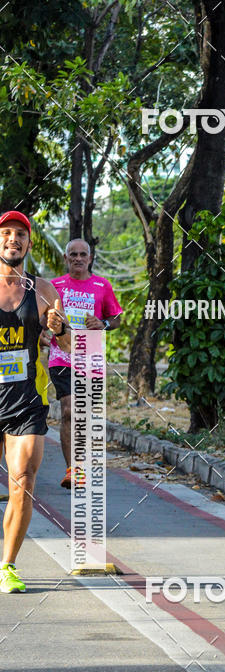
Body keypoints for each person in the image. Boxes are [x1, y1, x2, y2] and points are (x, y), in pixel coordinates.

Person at [0, 210, 71, 592]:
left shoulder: (43, 291)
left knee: (23, 480)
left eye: (20, 234)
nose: (13, 239)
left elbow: (68, 345)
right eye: (6, 232)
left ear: (28, 243)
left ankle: (7, 565)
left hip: (25, 398)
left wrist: (61, 329)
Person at [48, 239, 122, 488]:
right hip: (62, 357)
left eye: (83, 254)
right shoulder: (54, 286)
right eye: (73, 254)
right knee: (69, 411)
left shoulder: (103, 285)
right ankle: (73, 471)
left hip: (91, 359)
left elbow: (117, 319)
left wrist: (104, 325)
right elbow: (41, 317)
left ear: (90, 258)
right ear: (66, 258)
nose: (78, 258)